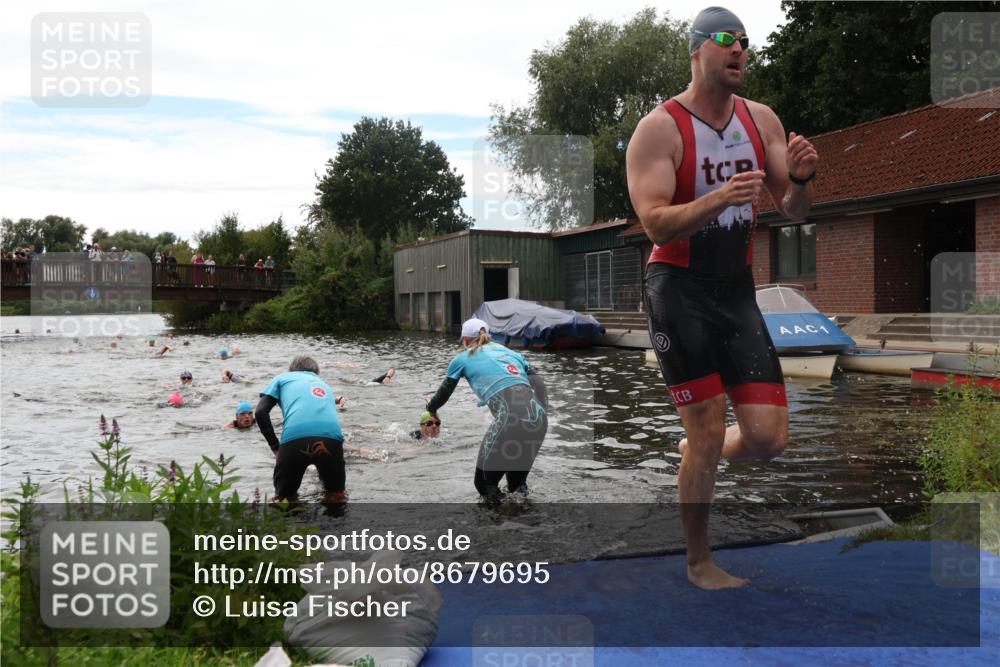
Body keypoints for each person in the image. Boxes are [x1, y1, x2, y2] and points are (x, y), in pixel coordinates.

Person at [625, 6, 818, 590]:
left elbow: (793, 211)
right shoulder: (659, 129)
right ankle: (698, 561)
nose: (739, 50)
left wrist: (802, 180)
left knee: (767, 438)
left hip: (735, 293)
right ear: (697, 50)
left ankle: (695, 447)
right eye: (727, 39)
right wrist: (719, 197)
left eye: (745, 42)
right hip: (677, 290)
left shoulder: (762, 121)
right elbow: (655, 223)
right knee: (709, 431)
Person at [425, 318, 548, 502]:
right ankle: (524, 516)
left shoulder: (462, 358)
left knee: (484, 484)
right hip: (539, 418)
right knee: (516, 485)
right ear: (488, 336)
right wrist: (540, 413)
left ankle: (499, 519)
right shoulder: (511, 353)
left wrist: (431, 408)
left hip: (510, 418)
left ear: (464, 339)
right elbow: (540, 385)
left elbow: (444, 393)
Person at [255, 355, 347, 503]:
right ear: (315, 373)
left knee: (284, 500)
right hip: (331, 438)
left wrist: (276, 448)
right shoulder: (324, 385)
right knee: (337, 496)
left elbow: (260, 412)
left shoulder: (283, 378)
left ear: (291, 370)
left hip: (295, 438)